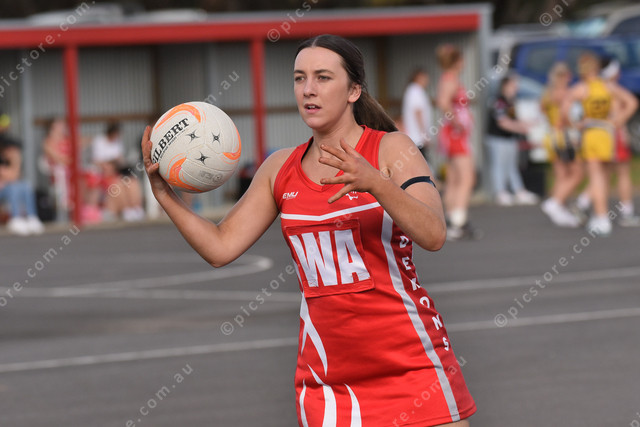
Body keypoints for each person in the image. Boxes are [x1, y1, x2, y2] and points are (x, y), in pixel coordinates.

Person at [142, 34, 475, 427]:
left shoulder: (392, 149)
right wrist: (164, 195)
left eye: (323, 77)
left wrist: (375, 182)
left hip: (413, 365)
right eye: (299, 78)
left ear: (353, 90)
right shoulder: (279, 168)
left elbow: (434, 234)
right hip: (328, 381)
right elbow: (220, 247)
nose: (308, 89)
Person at [563, 52, 637, 235]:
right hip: (607, 134)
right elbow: (631, 102)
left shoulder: (582, 88)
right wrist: (617, 121)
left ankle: (601, 216)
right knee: (606, 175)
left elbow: (565, 109)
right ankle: (599, 212)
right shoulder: (608, 86)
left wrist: (576, 125)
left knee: (596, 177)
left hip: (591, 133)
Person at [436, 44, 477, 240]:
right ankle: (458, 221)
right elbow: (443, 102)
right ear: (457, 61)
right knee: (467, 177)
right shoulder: (450, 79)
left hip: (455, 134)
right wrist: (456, 122)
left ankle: (452, 218)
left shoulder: (450, 78)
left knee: (453, 178)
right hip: (455, 135)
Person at [540, 62, 583, 227]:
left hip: (551, 135)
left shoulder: (547, 93)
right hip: (563, 136)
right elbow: (566, 115)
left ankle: (559, 208)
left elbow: (543, 110)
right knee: (577, 173)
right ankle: (556, 203)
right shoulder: (564, 93)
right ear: (563, 77)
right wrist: (576, 127)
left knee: (561, 175)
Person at [486, 73, 539, 206]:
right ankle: (500, 192)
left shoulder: (511, 101)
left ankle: (519, 191)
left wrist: (527, 123)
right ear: (505, 85)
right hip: (498, 139)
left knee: (512, 166)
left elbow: (513, 120)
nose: (516, 87)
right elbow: (502, 122)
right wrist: (520, 129)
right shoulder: (498, 101)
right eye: (513, 84)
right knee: (499, 166)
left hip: (510, 139)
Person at [0, 113, 44, 235]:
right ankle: (16, 218)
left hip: (6, 187)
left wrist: (14, 163)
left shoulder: (8, 160)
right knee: (14, 188)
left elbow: (14, 176)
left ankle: (31, 217)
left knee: (25, 185)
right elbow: (11, 176)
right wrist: (16, 162)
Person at [92, 121, 144, 221]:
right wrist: (110, 163)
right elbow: (97, 161)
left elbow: (120, 159)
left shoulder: (117, 142)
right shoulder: (99, 141)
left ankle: (135, 208)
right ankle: (126, 209)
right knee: (119, 184)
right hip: (103, 173)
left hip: (117, 171)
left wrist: (118, 163)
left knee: (132, 182)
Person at [402, 68, 432, 158]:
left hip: (415, 136)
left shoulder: (413, 90)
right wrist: (424, 135)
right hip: (417, 137)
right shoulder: (415, 90)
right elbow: (418, 112)